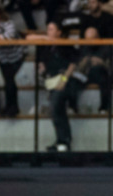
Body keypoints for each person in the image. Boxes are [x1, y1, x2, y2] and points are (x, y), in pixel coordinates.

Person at [34, 22, 83, 153]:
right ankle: (62, 141)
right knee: (58, 111)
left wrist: (64, 80)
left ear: (59, 32)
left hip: (65, 81)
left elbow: (72, 65)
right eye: (47, 29)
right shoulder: (46, 47)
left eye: (51, 29)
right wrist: (42, 69)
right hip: (52, 81)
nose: (48, 31)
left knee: (55, 108)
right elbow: (29, 38)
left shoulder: (65, 45)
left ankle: (64, 141)